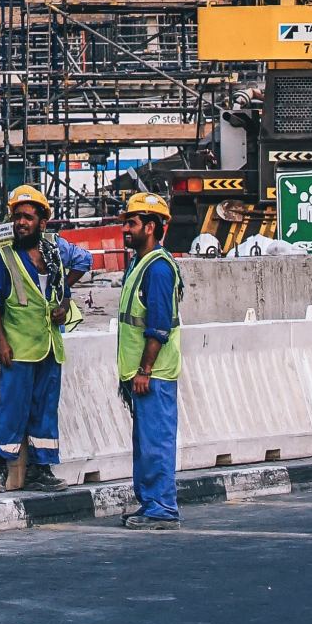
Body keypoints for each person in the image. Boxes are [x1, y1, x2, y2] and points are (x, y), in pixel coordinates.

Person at [0, 183, 91, 491]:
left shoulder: (54, 250)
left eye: (28, 217)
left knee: (45, 409)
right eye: (17, 217)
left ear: (42, 222)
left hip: (50, 346)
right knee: (12, 409)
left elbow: (86, 261)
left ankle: (41, 469)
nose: (21, 223)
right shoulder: (2, 257)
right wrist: (1, 342)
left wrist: (65, 299)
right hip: (19, 346)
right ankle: (0, 469)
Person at [117, 190, 183, 527]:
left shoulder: (157, 269)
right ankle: (150, 503)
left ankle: (162, 507)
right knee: (146, 444)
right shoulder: (140, 265)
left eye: (133, 223)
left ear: (152, 227)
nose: (126, 228)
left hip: (153, 373)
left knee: (156, 442)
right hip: (142, 374)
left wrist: (145, 369)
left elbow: (158, 326)